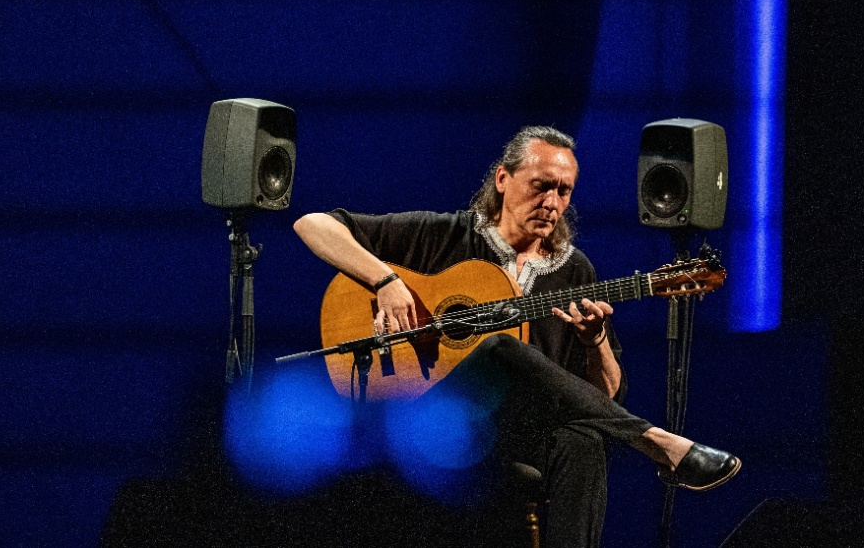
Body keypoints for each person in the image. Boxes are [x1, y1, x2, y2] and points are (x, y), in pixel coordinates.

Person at [294, 126, 740, 547]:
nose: (552, 201)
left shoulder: (575, 271)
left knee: (582, 442)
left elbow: (602, 401)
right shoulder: (445, 233)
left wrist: (594, 342)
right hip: (431, 413)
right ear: (504, 179)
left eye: (563, 191)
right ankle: (658, 443)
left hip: (516, 432)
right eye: (541, 185)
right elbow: (313, 225)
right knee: (499, 346)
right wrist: (385, 280)